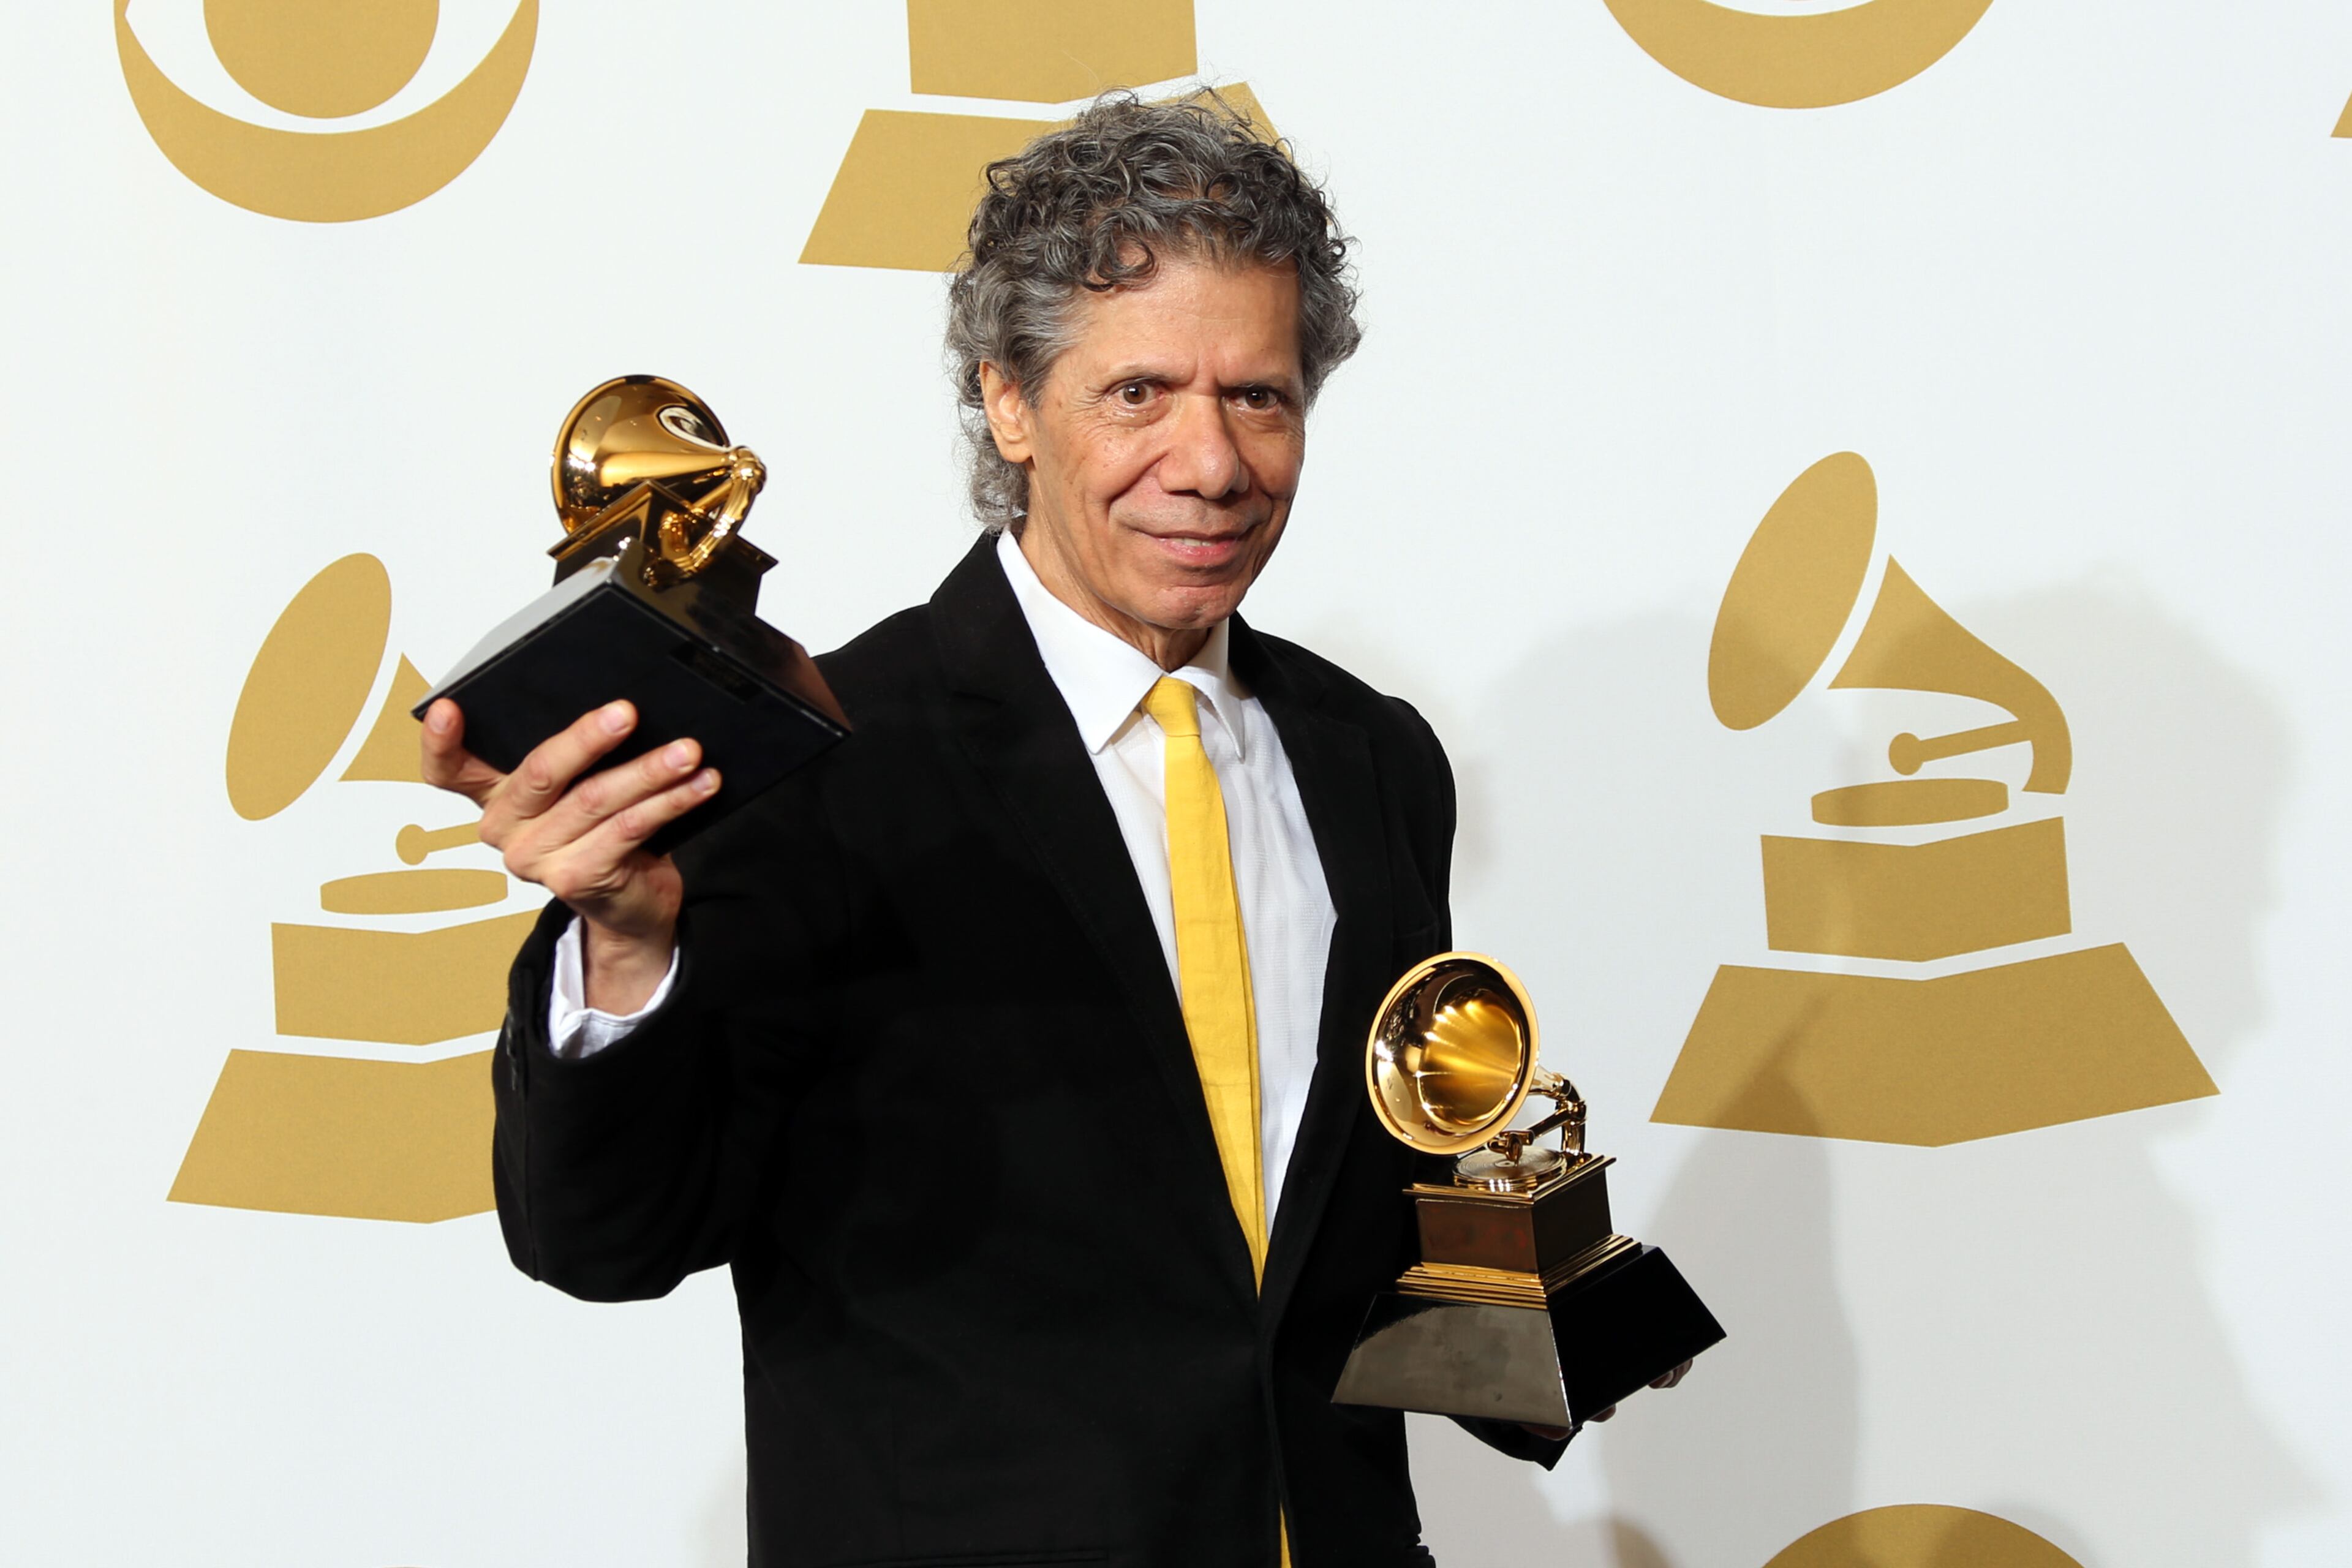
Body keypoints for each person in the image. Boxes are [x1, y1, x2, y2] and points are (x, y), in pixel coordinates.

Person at [423, 93, 1676, 1566]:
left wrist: (1568, 1305)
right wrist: (627, 949)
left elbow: (1343, 1232)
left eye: (1259, 396)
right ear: (1009, 401)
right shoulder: (824, 758)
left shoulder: (1374, 759)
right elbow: (605, 1238)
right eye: (1138, 392)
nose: (1211, 462)